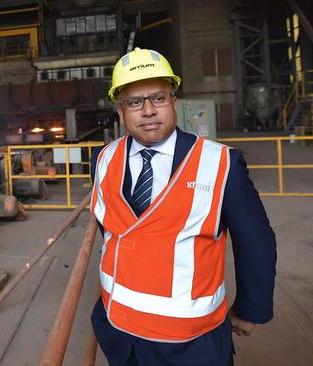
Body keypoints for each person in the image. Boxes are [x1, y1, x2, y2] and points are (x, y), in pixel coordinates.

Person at [89, 48, 276, 366]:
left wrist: (249, 309)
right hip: (118, 333)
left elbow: (255, 241)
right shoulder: (103, 159)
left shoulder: (221, 164)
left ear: (173, 102)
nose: (148, 111)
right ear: (120, 111)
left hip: (191, 343)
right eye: (135, 102)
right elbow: (114, 230)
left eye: (158, 98)